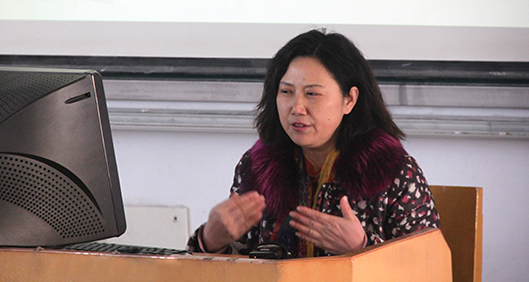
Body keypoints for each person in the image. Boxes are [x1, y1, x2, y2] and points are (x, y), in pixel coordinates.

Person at [187, 29, 440, 257]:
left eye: (312, 94)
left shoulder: (392, 170)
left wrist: (362, 249)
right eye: (286, 92)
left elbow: (428, 268)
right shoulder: (257, 167)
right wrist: (210, 241)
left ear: (349, 100)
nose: (297, 107)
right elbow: (240, 263)